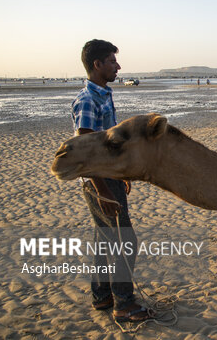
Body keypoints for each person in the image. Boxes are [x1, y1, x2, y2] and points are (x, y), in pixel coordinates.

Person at [71, 39, 152, 322]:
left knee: (105, 241)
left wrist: (121, 174)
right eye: (112, 61)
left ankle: (101, 296)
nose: (118, 66)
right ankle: (124, 304)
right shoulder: (87, 100)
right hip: (99, 183)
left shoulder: (105, 94)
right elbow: (85, 153)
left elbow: (109, 144)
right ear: (97, 65)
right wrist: (103, 189)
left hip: (111, 179)